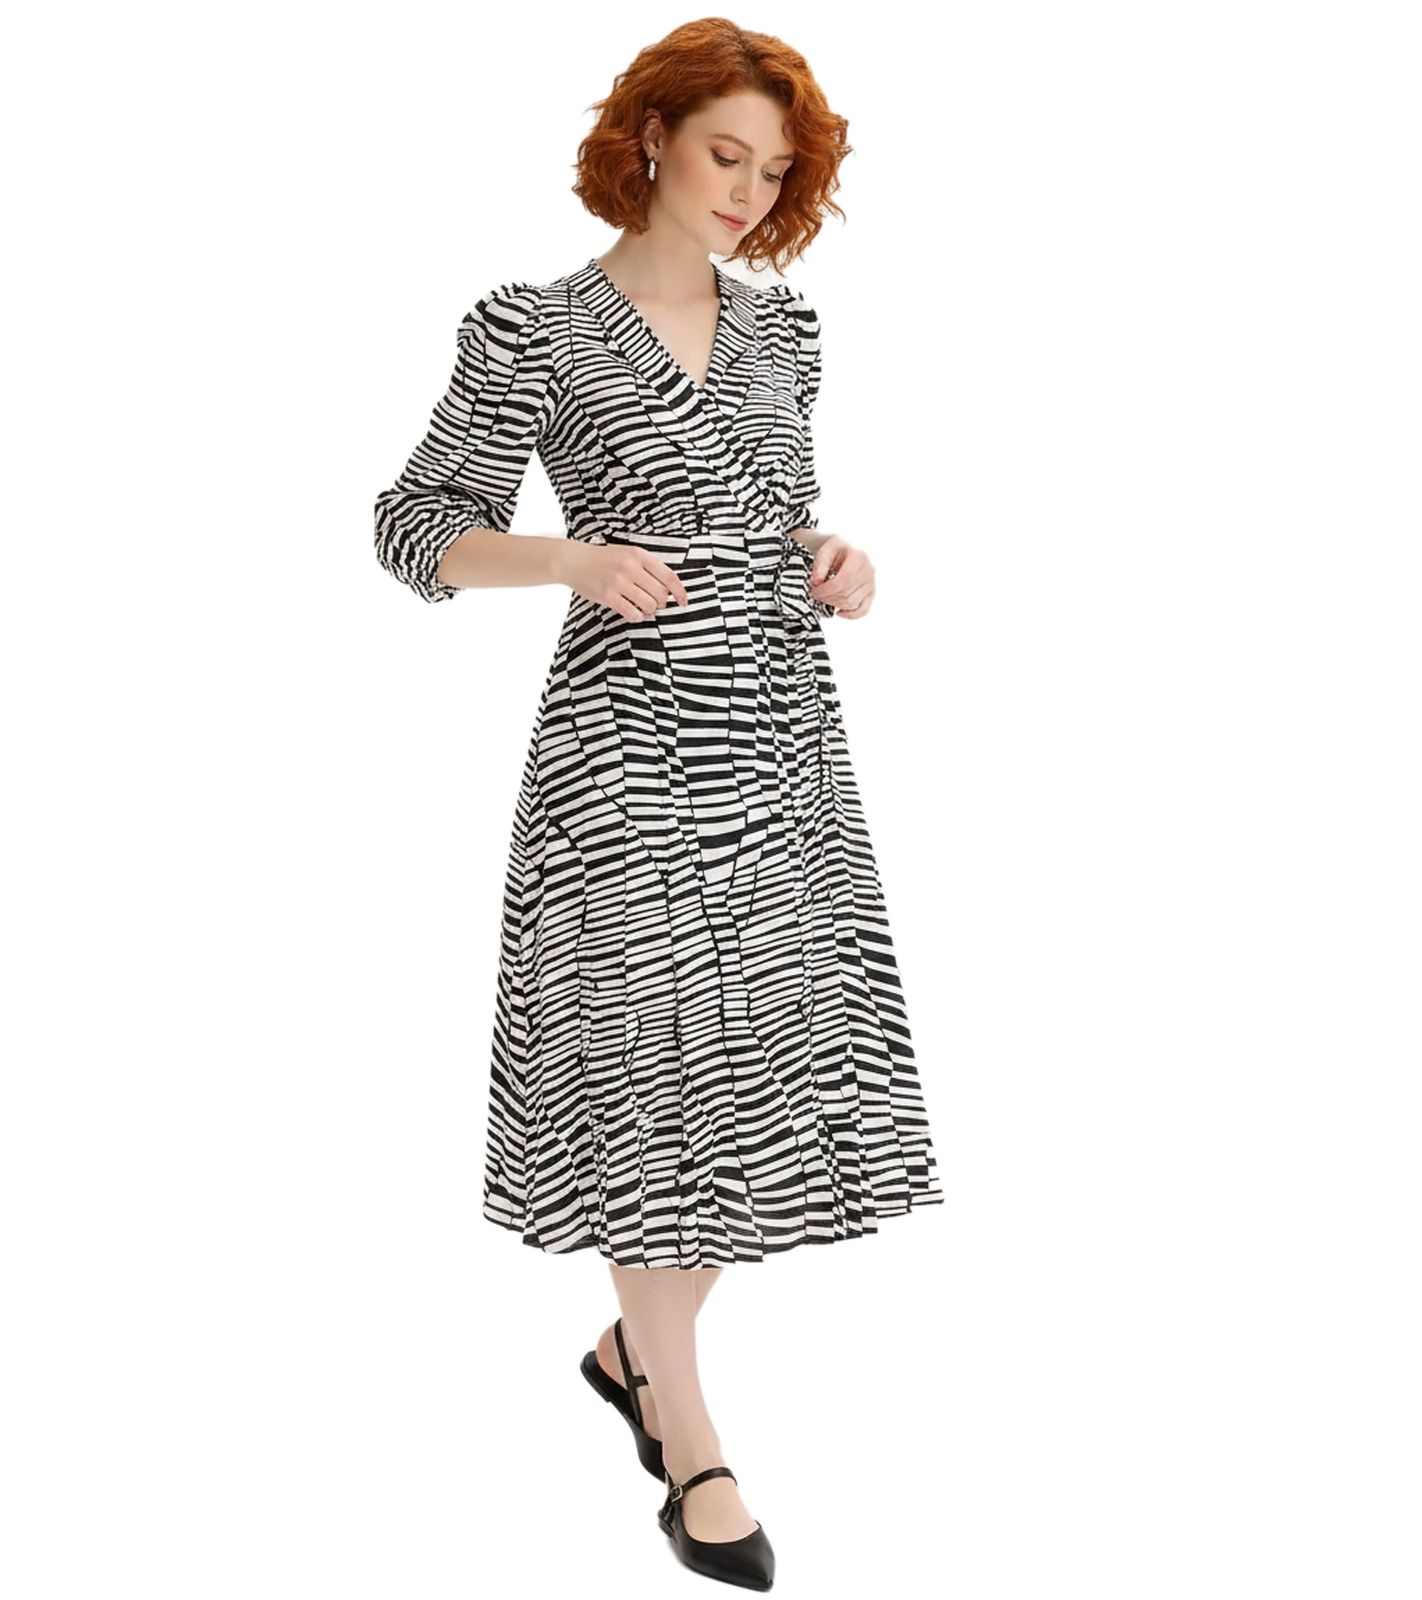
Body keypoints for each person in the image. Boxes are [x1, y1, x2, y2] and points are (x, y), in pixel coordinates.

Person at [372, 19, 944, 1588]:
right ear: (649, 141)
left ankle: (633, 1355)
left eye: (773, 170)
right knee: (651, 1082)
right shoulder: (534, 325)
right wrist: (566, 556)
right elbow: (412, 522)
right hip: (624, 755)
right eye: (722, 156)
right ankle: (691, 1446)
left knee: (757, 1085)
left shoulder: (788, 332)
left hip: (781, 743)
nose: (747, 193)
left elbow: (775, 507)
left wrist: (835, 557)